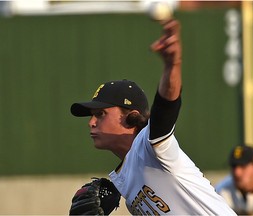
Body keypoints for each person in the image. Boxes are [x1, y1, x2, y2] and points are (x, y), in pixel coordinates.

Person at [70, 19, 236, 215]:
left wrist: (172, 65)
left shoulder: (150, 146)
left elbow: (165, 107)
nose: (91, 122)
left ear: (130, 116)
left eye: (101, 114)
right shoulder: (124, 180)